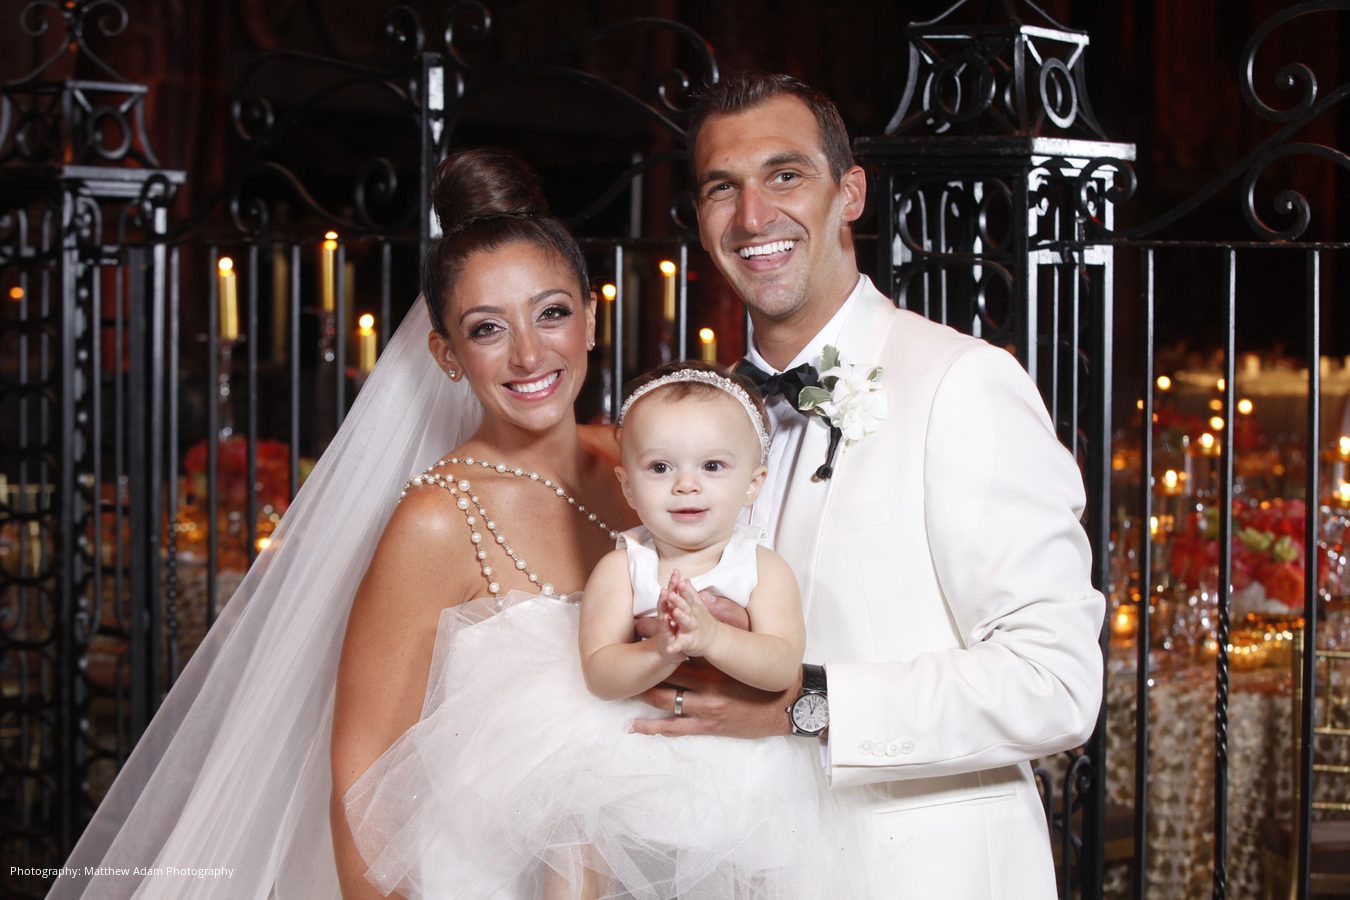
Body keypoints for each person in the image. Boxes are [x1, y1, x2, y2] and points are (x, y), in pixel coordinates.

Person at [629, 72, 1106, 899]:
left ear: (850, 193)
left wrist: (805, 705)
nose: (753, 216)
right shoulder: (704, 419)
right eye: (721, 188)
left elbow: (1055, 685)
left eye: (785, 175)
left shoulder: (961, 382)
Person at [345, 359, 867, 899]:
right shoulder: (622, 567)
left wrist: (714, 639)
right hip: (628, 755)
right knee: (578, 826)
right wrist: (661, 651)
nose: (686, 485)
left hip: (743, 767)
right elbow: (600, 673)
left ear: (753, 483)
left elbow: (781, 667)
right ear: (628, 485)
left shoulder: (762, 569)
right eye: (660, 468)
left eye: (713, 466)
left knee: (762, 868)